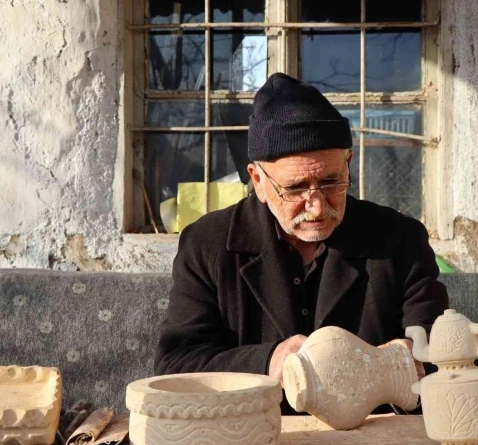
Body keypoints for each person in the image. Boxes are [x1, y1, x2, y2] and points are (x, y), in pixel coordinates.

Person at [154, 72, 449, 414]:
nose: (318, 206)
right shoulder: (206, 244)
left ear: (348, 164)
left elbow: (437, 349)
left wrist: (399, 360)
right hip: (256, 437)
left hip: (372, 439)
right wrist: (269, 360)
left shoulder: (399, 239)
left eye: (331, 181)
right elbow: (175, 365)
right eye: (295, 188)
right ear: (258, 181)